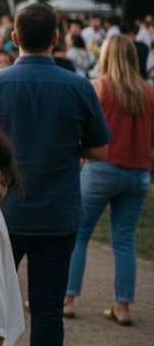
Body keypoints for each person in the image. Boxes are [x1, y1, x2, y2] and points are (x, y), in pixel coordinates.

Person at [0, 3, 110, 346]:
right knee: (47, 311)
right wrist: (68, 147)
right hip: (58, 214)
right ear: (57, 39)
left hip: (5, 214)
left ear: (13, 39)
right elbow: (100, 149)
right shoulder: (78, 86)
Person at [64, 35, 154, 326]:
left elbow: (83, 130)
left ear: (105, 56)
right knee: (125, 241)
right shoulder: (149, 92)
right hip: (138, 172)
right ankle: (122, 306)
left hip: (101, 169)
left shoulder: (99, 87)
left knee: (79, 235)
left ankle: (66, 299)